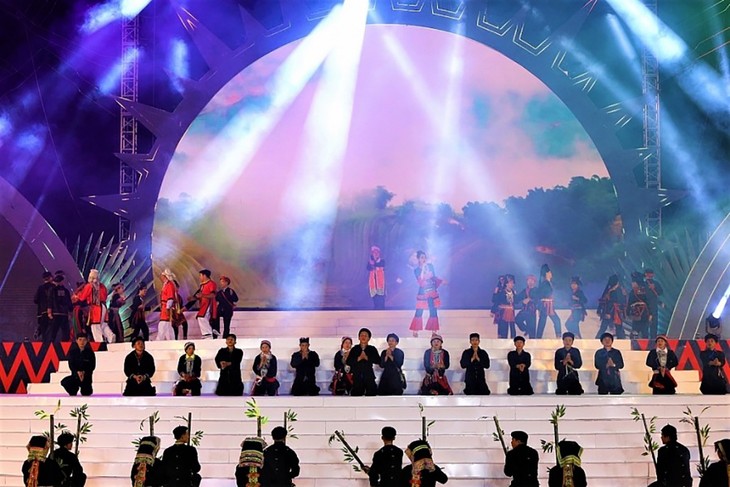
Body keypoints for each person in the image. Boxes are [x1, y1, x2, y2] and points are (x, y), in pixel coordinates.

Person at [409, 251, 443, 337]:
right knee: (419, 310)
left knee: (433, 309)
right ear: (418, 259)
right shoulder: (417, 270)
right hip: (423, 291)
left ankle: (434, 331)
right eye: (421, 257)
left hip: (431, 290)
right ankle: (415, 330)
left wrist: (440, 281)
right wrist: (425, 275)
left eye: (424, 257)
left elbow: (433, 277)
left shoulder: (430, 266)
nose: (424, 259)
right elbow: (420, 280)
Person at [75, 269, 114, 343]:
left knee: (95, 326)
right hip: (103, 306)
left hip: (96, 307)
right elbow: (105, 296)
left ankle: (99, 342)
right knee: (103, 324)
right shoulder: (102, 286)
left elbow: (82, 297)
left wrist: (77, 296)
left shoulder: (89, 286)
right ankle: (110, 336)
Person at [346, 328, 380, 396]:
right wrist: (358, 358)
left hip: (369, 376)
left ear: (369, 338)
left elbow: (378, 360)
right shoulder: (354, 349)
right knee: (356, 395)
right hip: (357, 376)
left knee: (372, 394)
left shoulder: (372, 349)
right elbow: (348, 362)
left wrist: (367, 358)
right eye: (362, 335)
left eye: (365, 336)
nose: (363, 337)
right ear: (359, 337)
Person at [596, 274, 627, 339]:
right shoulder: (614, 291)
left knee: (617, 328)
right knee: (606, 327)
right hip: (612, 311)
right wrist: (608, 312)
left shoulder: (612, 290)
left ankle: (621, 340)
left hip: (615, 312)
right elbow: (610, 302)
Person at [537, 264, 562, 338]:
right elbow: (540, 295)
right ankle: (538, 337)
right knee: (544, 321)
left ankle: (557, 336)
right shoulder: (545, 283)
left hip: (549, 305)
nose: (551, 273)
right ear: (547, 273)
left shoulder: (548, 283)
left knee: (553, 321)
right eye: (550, 272)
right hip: (545, 305)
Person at [48, 274, 73, 343]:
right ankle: (65, 344)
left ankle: (51, 344)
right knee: (65, 330)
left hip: (55, 313)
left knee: (53, 330)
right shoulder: (66, 291)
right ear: (62, 281)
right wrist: (70, 311)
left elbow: (50, 300)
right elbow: (68, 302)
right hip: (64, 313)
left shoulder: (52, 290)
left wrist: (49, 311)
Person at [194, 269, 218, 339]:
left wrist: (202, 295)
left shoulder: (211, 283)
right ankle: (207, 334)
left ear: (204, 275)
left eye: (200, 275)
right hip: (203, 305)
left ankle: (208, 334)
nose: (200, 277)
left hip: (208, 305)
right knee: (202, 318)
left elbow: (213, 295)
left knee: (201, 317)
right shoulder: (202, 285)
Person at [628, 272, 650, 339]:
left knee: (644, 333)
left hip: (643, 315)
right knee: (635, 332)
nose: (632, 284)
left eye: (633, 282)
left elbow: (649, 303)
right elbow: (629, 303)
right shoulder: (633, 292)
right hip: (636, 315)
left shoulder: (644, 291)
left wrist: (650, 314)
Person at [157, 269, 177, 341]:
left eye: (162, 276)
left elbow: (170, 298)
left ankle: (159, 340)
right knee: (168, 327)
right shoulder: (166, 284)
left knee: (163, 324)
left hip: (166, 307)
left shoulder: (169, 285)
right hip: (164, 307)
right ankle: (170, 340)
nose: (161, 277)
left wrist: (168, 308)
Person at [644, 269, 664, 339]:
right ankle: (647, 338)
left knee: (653, 323)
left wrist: (654, 287)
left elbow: (660, 292)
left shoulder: (655, 283)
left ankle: (652, 338)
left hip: (651, 305)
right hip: (647, 306)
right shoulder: (643, 284)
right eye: (648, 273)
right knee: (647, 323)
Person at [368, 246, 386, 310]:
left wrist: (374, 263)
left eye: (377, 252)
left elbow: (381, 265)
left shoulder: (382, 261)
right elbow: (368, 268)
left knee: (381, 299)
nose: (375, 254)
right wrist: (371, 264)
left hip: (380, 283)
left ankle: (382, 311)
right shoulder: (370, 262)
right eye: (374, 253)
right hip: (373, 283)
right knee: (375, 300)